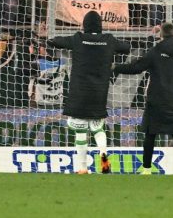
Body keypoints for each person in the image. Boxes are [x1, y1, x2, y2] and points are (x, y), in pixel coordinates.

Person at [46, 10, 131, 174]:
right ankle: (104, 159)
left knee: (81, 130)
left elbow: (54, 42)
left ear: (84, 25)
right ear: (100, 25)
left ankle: (83, 167)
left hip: (79, 91)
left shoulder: (78, 39)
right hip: (99, 92)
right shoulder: (108, 40)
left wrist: (47, 35)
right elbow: (126, 48)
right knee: (98, 128)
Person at [113, 21, 173, 175]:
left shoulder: (156, 50)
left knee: (150, 134)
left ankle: (146, 168)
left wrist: (116, 67)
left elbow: (136, 68)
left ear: (161, 35)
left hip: (156, 99)